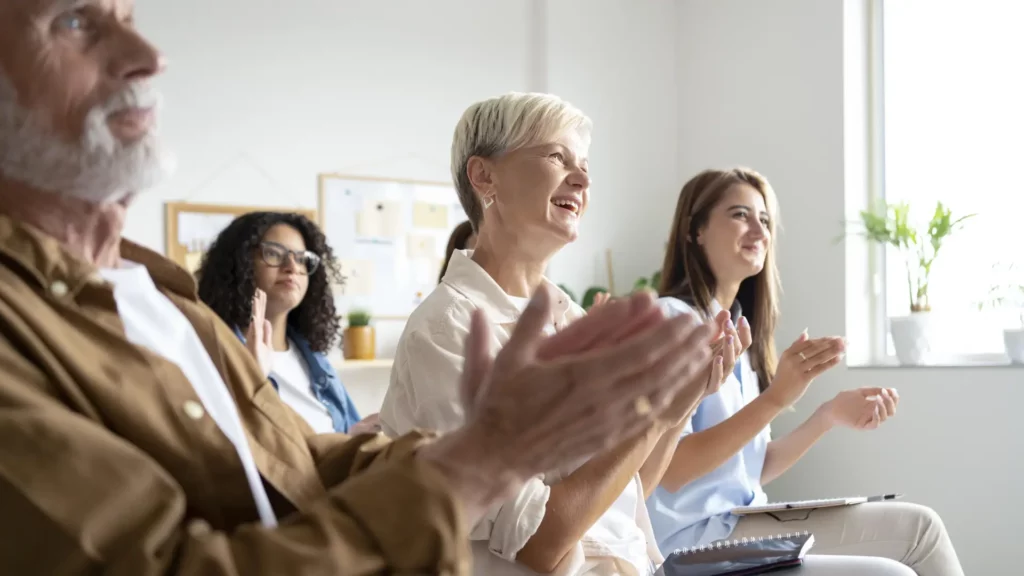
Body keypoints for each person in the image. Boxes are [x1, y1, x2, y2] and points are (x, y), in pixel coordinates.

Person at [0, 1, 731, 572]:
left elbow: (306, 464)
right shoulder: (451, 321)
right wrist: (487, 460)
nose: (147, 56)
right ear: (486, 177)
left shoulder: (162, 299)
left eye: (128, 17)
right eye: (73, 21)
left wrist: (637, 417)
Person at [382, 93, 751, 576]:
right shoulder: (446, 329)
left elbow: (627, 488)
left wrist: (680, 404)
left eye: (584, 165)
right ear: (484, 176)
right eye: (557, 157)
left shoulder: (570, 318)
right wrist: (652, 408)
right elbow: (540, 544)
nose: (582, 178)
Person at [646, 167, 964, 576]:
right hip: (694, 540)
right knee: (918, 533)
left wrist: (826, 416)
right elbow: (670, 470)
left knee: (919, 531)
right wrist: (776, 398)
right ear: (696, 231)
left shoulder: (741, 339)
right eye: (740, 214)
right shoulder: (672, 320)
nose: (759, 231)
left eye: (765, 220)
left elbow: (752, 468)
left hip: (739, 524)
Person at [196, 211, 378, 435]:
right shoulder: (210, 349)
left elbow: (350, 438)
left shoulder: (316, 361)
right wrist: (250, 380)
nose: (292, 266)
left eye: (302, 259)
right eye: (273, 254)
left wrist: (353, 440)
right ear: (240, 264)